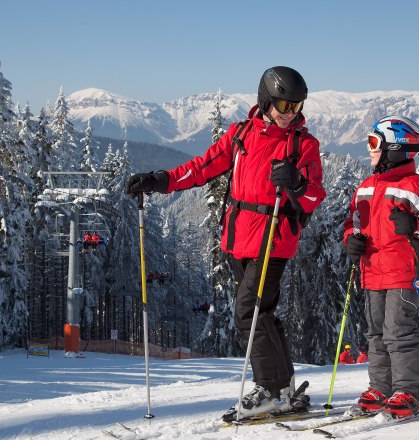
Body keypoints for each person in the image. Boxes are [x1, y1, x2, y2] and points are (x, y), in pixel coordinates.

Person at [126, 66, 325, 420]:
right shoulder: (241, 134)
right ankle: (284, 385)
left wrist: (296, 183)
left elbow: (313, 198)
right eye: (283, 104)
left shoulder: (303, 145)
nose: (289, 113)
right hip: (238, 239)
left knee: (247, 311)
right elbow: (202, 168)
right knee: (262, 312)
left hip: (273, 240)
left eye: (296, 106)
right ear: (265, 100)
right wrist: (159, 181)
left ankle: (269, 387)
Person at [343, 116, 419, 418]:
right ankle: (382, 388)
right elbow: (351, 223)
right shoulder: (365, 187)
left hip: (404, 271)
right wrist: (351, 239)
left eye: (374, 143)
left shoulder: (416, 187)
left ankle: (411, 392)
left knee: (399, 332)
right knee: (375, 333)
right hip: (372, 271)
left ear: (395, 149)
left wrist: (415, 224)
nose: (369, 150)